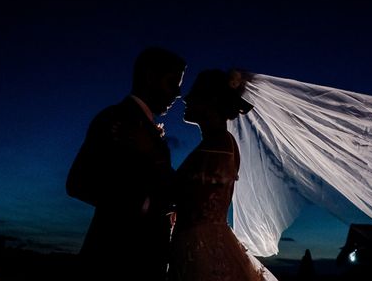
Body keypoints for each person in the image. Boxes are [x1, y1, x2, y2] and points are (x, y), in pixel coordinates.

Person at [66, 46, 187, 281]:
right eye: (173, 82)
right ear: (150, 77)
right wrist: (144, 206)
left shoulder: (147, 129)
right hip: (115, 260)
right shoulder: (114, 118)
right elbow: (77, 183)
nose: (178, 93)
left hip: (145, 263)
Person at [167, 69, 278, 281]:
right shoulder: (219, 143)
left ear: (211, 102)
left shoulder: (218, 144)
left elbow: (178, 192)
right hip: (203, 241)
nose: (186, 98)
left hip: (202, 249)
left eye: (195, 93)